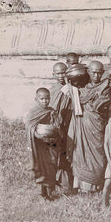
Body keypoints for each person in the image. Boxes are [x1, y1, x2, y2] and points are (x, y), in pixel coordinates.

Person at [67, 60, 111, 193]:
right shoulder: (83, 88)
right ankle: (82, 185)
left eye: (99, 73)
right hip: (83, 124)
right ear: (88, 72)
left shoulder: (106, 86)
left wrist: (99, 100)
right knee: (82, 152)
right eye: (94, 72)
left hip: (97, 124)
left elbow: (104, 103)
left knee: (98, 152)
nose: (96, 76)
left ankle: (96, 185)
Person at [25, 87, 62, 201]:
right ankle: (43, 192)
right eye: (42, 99)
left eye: (47, 99)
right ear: (36, 99)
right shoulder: (32, 113)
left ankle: (50, 193)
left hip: (51, 144)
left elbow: (57, 126)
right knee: (42, 168)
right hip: (39, 146)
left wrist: (55, 132)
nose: (45, 101)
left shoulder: (51, 111)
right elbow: (29, 128)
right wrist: (37, 135)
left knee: (51, 166)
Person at [49, 62, 74, 192]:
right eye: (58, 73)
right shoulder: (52, 90)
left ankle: (68, 183)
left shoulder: (73, 88)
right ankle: (54, 181)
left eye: (63, 72)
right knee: (55, 155)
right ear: (53, 75)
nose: (61, 76)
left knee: (67, 154)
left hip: (69, 125)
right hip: (56, 127)